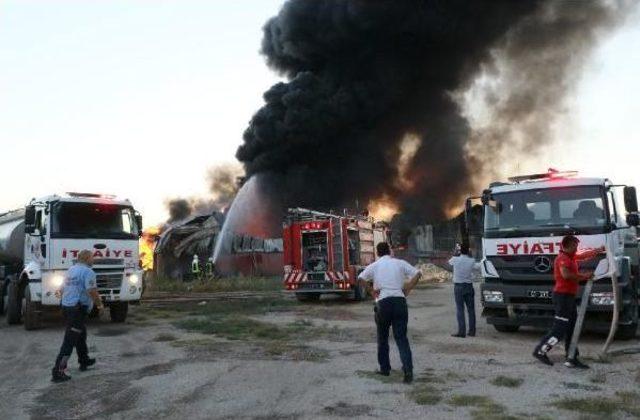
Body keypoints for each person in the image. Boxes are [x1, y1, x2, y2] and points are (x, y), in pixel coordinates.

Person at [532, 235, 604, 369]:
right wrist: (584, 276)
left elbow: (583, 255)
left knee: (572, 328)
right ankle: (540, 351)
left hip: (568, 297)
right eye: (575, 246)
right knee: (560, 328)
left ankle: (572, 357)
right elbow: (565, 274)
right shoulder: (562, 259)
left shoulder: (571, 257)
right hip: (562, 297)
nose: (577, 249)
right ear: (569, 245)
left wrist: (598, 251)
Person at [358, 242, 422, 383]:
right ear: (389, 251)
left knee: (382, 338)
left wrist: (371, 291)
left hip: (383, 303)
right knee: (401, 338)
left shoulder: (375, 265)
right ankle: (408, 370)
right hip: (399, 302)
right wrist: (408, 288)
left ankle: (385, 369)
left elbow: (360, 278)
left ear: (378, 252)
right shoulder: (400, 263)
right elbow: (418, 273)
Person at [51, 250, 104, 382]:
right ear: (87, 258)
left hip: (67, 307)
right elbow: (91, 290)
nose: (94, 260)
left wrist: (63, 297)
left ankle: (84, 360)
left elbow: (62, 288)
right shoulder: (88, 272)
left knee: (81, 334)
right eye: (92, 258)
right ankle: (58, 371)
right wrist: (100, 305)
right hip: (77, 310)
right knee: (69, 341)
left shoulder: (71, 270)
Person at [448, 243, 480, 338]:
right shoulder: (472, 260)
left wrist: (455, 252)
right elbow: (477, 267)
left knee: (460, 309)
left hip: (458, 287)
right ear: (468, 251)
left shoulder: (455, 259)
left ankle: (461, 331)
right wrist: (470, 254)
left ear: (460, 251)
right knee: (471, 310)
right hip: (469, 286)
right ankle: (472, 331)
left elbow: (449, 263)